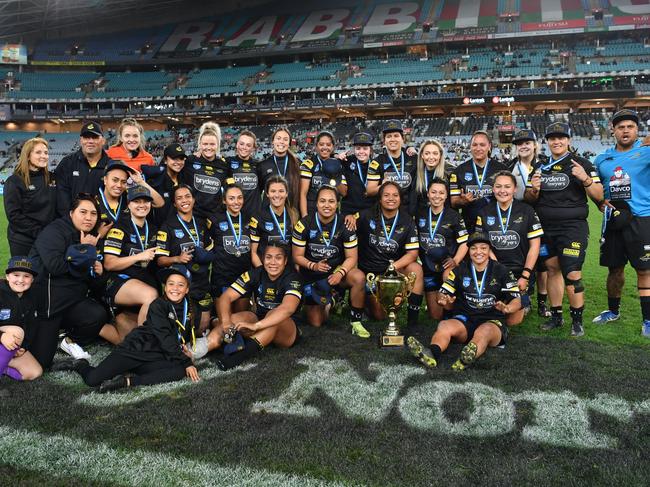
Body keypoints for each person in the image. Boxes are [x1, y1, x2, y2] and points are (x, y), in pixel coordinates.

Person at [51, 265, 200, 393]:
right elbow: (164, 337)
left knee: (180, 370)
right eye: (171, 284)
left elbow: (180, 334)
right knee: (92, 380)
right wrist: (185, 360)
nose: (175, 288)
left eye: (180, 285)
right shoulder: (157, 305)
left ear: (187, 289)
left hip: (155, 355)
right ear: (165, 287)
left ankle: (126, 382)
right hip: (134, 350)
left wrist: (183, 352)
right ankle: (80, 364)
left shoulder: (191, 309)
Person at [524, 123, 603, 337]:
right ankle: (557, 317)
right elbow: (530, 198)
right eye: (552, 138)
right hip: (546, 228)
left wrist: (584, 178)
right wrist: (534, 189)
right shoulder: (539, 166)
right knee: (551, 269)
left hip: (572, 228)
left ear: (568, 140)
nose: (556, 141)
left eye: (561, 138)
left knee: (572, 272)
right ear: (547, 142)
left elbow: (599, 195)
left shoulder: (582, 163)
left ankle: (577, 321)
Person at [27, 194, 121, 368]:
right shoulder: (54, 231)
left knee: (97, 315)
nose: (88, 217)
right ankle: (43, 333)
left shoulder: (92, 236)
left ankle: (67, 338)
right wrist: (85, 250)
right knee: (41, 363)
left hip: (72, 300)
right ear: (71, 213)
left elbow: (90, 279)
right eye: (83, 212)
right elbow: (55, 266)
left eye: (93, 214)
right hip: (49, 306)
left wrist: (97, 273)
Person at [406, 232, 521, 370]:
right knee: (444, 326)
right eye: (473, 248)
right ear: (469, 251)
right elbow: (442, 293)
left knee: (483, 332)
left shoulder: (502, 271)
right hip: (465, 319)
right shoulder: (459, 270)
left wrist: (508, 308)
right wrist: (443, 300)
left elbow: (517, 300)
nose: (478, 252)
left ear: (489, 250)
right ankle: (431, 353)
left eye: (483, 248)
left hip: (491, 321)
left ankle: (466, 358)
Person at [593, 110, 650, 337]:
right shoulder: (602, 159)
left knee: (644, 270)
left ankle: (648, 320)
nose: (625, 130)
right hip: (613, 222)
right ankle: (613, 311)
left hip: (642, 219)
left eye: (630, 127)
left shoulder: (646, 152)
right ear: (613, 131)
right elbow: (595, 188)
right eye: (620, 127)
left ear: (637, 130)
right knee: (614, 269)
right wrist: (599, 202)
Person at [208, 242, 303, 370]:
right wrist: (225, 322)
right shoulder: (255, 273)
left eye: (278, 258)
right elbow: (226, 297)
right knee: (241, 317)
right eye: (268, 257)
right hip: (259, 323)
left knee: (274, 314)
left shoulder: (293, 277)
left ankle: (239, 356)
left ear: (285, 261)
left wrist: (256, 326)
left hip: (286, 331)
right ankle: (200, 349)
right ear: (263, 258)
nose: (273, 262)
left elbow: (287, 309)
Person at [292, 185, 366, 333]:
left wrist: (340, 272)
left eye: (331, 201)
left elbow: (352, 257)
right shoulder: (304, 224)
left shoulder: (345, 223)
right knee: (316, 322)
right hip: (312, 274)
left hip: (336, 274)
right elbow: (297, 256)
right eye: (323, 201)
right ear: (316, 203)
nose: (327, 205)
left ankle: (356, 320)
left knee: (358, 277)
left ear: (337, 204)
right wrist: (313, 265)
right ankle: (331, 301)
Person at [475, 171, 543, 325]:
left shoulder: (527, 211)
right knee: (488, 313)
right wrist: (497, 269)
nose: (502, 190)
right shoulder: (484, 212)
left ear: (515, 189)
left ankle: (524, 299)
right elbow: (482, 245)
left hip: (520, 272)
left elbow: (535, 246)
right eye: (498, 186)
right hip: (495, 269)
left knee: (512, 321)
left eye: (507, 186)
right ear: (493, 189)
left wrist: (525, 276)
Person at [356, 181, 424, 328]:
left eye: (395, 195)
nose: (391, 198)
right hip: (370, 272)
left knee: (416, 269)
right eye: (386, 195)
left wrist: (392, 267)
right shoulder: (366, 216)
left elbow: (412, 254)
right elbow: (345, 225)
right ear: (380, 198)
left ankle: (413, 321)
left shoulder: (407, 221)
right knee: (380, 316)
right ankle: (365, 300)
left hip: (392, 271)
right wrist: (349, 217)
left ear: (400, 199)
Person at [155, 185, 214, 332]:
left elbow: (210, 251)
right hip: (180, 282)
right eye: (179, 198)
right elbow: (160, 260)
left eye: (187, 196)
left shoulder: (201, 223)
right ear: (174, 203)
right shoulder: (167, 226)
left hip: (201, 280)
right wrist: (177, 259)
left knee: (202, 329)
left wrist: (206, 256)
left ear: (193, 200)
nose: (184, 200)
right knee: (181, 328)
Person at [103, 186, 159, 335]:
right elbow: (109, 264)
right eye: (137, 201)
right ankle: (144, 342)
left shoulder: (154, 229)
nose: (142, 205)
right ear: (128, 204)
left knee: (125, 337)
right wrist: (139, 256)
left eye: (146, 201)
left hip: (141, 279)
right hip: (118, 279)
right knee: (150, 295)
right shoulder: (119, 228)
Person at [509, 129, 551, 318]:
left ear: (535, 144)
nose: (523, 146)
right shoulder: (510, 166)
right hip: (519, 222)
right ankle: (524, 298)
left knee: (543, 264)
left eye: (527, 142)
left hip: (545, 218)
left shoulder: (546, 164)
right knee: (524, 261)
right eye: (520, 143)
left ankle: (542, 303)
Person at [416, 178, 468, 320]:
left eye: (441, 193)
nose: (437, 196)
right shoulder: (420, 214)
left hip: (447, 265)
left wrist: (455, 260)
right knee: (435, 315)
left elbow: (465, 243)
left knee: (448, 276)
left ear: (446, 195)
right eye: (433, 192)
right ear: (428, 194)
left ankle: (451, 316)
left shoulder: (454, 216)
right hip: (428, 267)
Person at [3, 137, 56, 256]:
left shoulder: (53, 178)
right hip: (23, 241)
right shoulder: (15, 181)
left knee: (43, 274)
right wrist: (41, 232)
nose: (44, 156)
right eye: (38, 152)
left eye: (46, 152)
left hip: (47, 239)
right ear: (27, 155)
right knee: (25, 274)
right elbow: (14, 216)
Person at [450, 130, 507, 233]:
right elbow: (453, 202)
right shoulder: (459, 171)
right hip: (469, 225)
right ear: (470, 147)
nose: (478, 148)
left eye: (482, 145)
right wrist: (463, 201)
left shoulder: (502, 169)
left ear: (489, 146)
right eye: (474, 145)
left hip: (497, 224)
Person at [55, 121, 115, 217]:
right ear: (81, 140)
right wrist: (72, 220)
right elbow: (62, 198)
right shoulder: (67, 163)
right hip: (71, 221)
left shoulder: (112, 166)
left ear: (103, 141)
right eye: (86, 137)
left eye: (95, 137)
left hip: (101, 223)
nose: (90, 141)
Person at [208, 184, 251, 312]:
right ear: (224, 200)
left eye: (239, 198)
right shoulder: (214, 220)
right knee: (224, 319)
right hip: (222, 276)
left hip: (244, 275)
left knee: (240, 317)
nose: (236, 202)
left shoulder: (250, 219)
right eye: (231, 198)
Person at [0, 257, 43, 381]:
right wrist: (1, 336)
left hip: (8, 344)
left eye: (26, 276)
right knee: (17, 332)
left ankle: (3, 366)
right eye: (16, 275)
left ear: (32, 279)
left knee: (34, 372)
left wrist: (23, 347)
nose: (21, 280)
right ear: (7, 276)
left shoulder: (32, 296)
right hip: (5, 336)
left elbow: (31, 325)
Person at [96, 161, 164, 239]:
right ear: (105, 180)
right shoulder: (93, 202)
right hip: (102, 249)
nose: (119, 185)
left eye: (123, 182)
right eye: (115, 180)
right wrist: (98, 235)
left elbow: (159, 203)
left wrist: (140, 182)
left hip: (129, 248)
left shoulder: (130, 197)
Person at [181, 122, 229, 219]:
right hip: (194, 216)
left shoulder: (223, 165)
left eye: (212, 144)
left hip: (216, 216)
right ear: (200, 144)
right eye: (205, 144)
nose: (208, 147)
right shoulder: (190, 161)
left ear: (218, 145)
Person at [368, 120, 417, 210]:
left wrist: (417, 151)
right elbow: (370, 191)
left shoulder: (413, 158)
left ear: (403, 139)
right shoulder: (377, 162)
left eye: (396, 136)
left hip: (409, 211)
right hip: (386, 211)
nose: (393, 139)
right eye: (389, 136)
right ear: (384, 141)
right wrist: (382, 185)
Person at [250, 176, 296, 268]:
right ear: (267, 194)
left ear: (286, 193)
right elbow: (253, 254)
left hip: (288, 270)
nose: (277, 195)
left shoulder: (295, 215)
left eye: (281, 191)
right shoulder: (257, 217)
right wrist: (263, 273)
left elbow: (297, 251)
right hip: (266, 269)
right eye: (273, 191)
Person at [299, 131, 348, 216]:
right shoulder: (308, 165)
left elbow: (343, 193)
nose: (325, 147)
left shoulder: (339, 164)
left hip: (331, 212)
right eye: (321, 144)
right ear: (316, 146)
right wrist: (304, 217)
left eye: (328, 145)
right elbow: (302, 194)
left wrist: (334, 175)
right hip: (312, 212)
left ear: (333, 147)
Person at [338, 132, 381, 224]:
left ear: (371, 150)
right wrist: (337, 157)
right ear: (354, 149)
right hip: (349, 213)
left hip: (370, 212)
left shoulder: (377, 164)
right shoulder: (347, 162)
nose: (361, 152)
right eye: (358, 148)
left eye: (365, 148)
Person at [141, 143, 188, 226]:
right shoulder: (155, 180)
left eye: (181, 158)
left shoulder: (185, 178)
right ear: (165, 160)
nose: (179, 162)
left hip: (180, 227)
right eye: (174, 158)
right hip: (159, 229)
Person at [258, 127, 301, 211]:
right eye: (278, 138)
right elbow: (257, 195)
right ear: (273, 141)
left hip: (293, 214)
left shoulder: (298, 164)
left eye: (285, 139)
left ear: (289, 143)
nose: (281, 141)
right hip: (269, 216)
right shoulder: (263, 165)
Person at [226, 130, 261, 219]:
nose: (244, 147)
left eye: (248, 145)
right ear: (237, 145)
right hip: (233, 215)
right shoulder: (227, 162)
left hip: (254, 216)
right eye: (242, 144)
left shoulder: (259, 165)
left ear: (253, 148)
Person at [412, 139, 447, 215]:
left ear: (440, 155)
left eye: (435, 153)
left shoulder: (448, 174)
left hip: (442, 217)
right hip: (422, 217)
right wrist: (408, 147)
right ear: (422, 155)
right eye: (427, 153)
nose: (431, 157)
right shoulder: (415, 173)